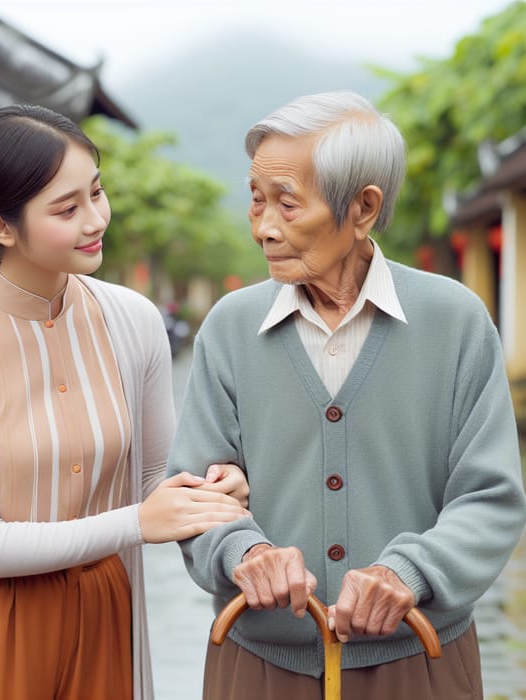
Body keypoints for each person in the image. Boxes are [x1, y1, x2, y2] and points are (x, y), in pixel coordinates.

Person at [166, 90, 526, 699]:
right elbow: (196, 497)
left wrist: (407, 572)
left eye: (286, 204)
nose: (263, 228)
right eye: (256, 202)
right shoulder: (229, 328)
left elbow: (490, 499)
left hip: (419, 663)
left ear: (362, 208)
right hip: (260, 666)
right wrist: (246, 552)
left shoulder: (455, 320)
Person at [0, 104, 251, 700]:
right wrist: (139, 523)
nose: (95, 220)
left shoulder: (134, 322)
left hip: (106, 609)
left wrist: (214, 489)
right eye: (66, 209)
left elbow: (155, 480)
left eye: (97, 192)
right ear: (1, 227)